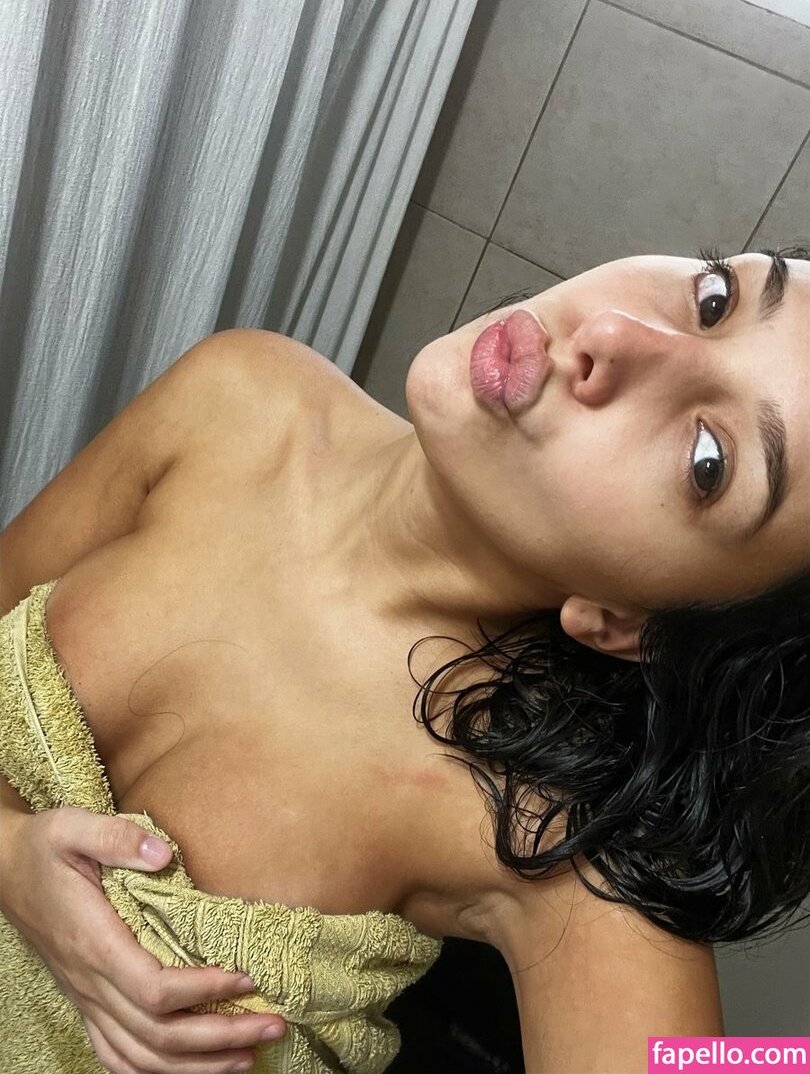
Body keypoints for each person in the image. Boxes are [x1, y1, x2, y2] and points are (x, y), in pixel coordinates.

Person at [1, 245, 809, 1074]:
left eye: (708, 463)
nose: (613, 332)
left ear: (631, 624)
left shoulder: (542, 834)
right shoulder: (238, 393)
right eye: (715, 297)